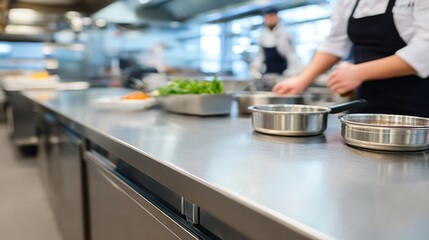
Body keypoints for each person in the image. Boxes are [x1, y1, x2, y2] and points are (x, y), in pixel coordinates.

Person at [273, 0, 429, 117]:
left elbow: (424, 49)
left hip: (416, 105)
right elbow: (334, 43)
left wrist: (359, 72)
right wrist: (302, 80)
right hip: (366, 103)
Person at [250, 8, 300, 88]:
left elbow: (291, 55)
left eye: (271, 17)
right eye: (266, 17)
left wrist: (292, 73)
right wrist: (254, 70)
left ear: (277, 17)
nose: (269, 20)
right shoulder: (262, 35)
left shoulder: (285, 33)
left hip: (283, 75)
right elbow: (260, 55)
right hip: (268, 75)